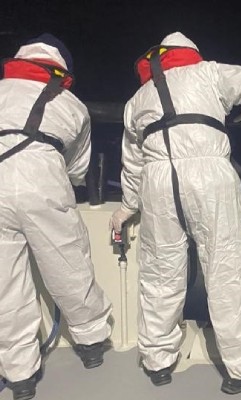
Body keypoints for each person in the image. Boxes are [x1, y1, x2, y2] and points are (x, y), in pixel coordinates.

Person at [108, 32, 241, 394]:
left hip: (157, 181)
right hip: (209, 175)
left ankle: (158, 362)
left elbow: (132, 161)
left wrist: (128, 206)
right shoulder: (210, 72)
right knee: (226, 270)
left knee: (160, 273)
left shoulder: (138, 98)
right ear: (192, 56)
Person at [0, 33, 113, 400]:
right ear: (60, 70)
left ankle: (20, 374)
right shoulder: (72, 104)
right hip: (43, 179)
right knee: (68, 264)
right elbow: (77, 167)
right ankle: (91, 341)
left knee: (5, 285)